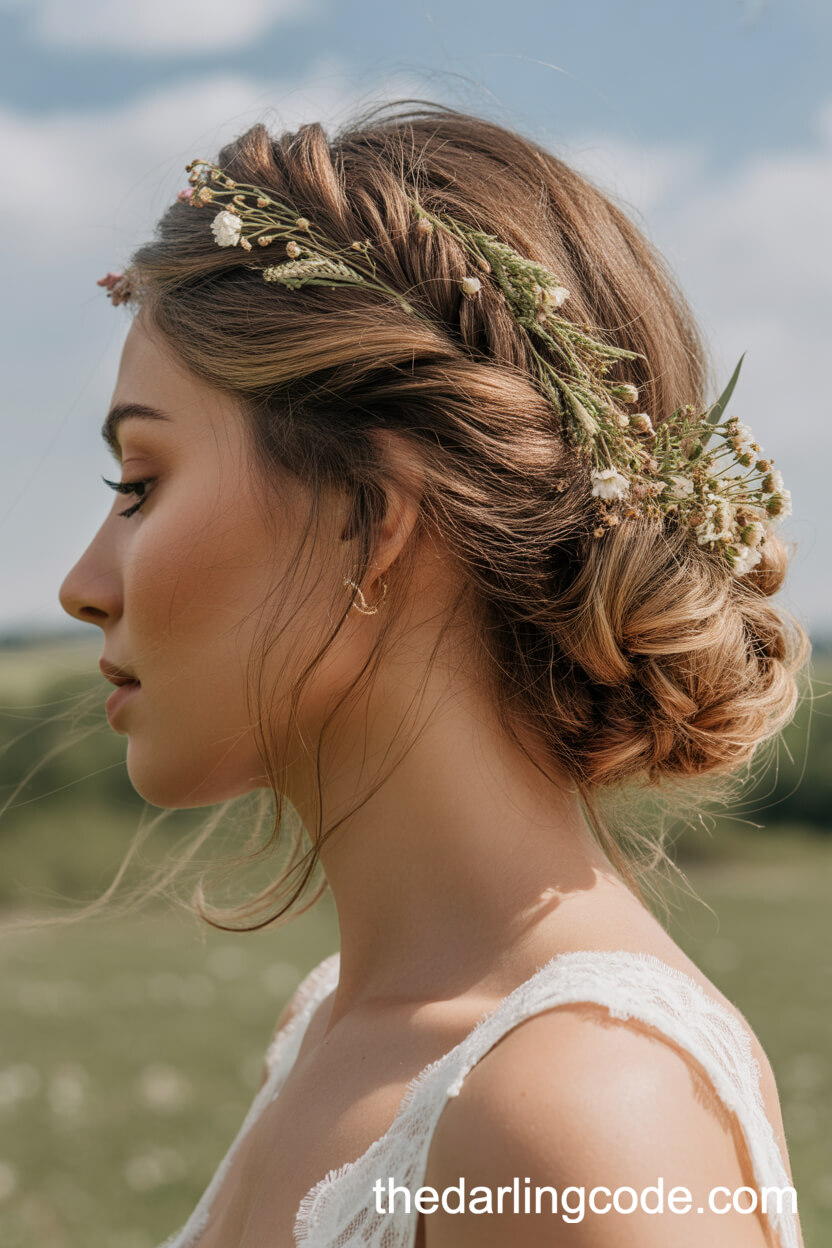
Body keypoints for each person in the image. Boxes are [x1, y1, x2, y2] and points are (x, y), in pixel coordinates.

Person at [59, 102, 808, 1246]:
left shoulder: (576, 1115)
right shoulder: (335, 1032)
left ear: (369, 517)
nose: (82, 582)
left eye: (141, 483)